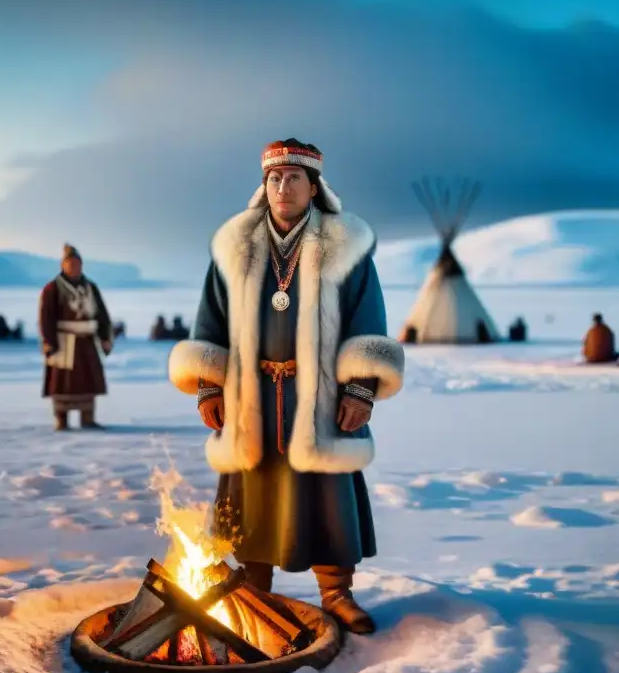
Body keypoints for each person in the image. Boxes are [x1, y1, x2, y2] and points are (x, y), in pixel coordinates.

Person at [168, 138, 405, 635]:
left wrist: (360, 389)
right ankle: (254, 588)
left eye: (294, 177)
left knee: (326, 491)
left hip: (320, 397)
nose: (283, 186)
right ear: (264, 185)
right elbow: (210, 319)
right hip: (251, 394)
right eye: (274, 178)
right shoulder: (236, 247)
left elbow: (369, 321)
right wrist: (209, 387)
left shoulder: (346, 246)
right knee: (254, 490)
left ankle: (336, 593)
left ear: (314, 186)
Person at [38, 244, 114, 431]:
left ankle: (87, 418)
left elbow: (101, 314)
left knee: (88, 381)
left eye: (77, 263)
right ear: (63, 265)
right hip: (63, 342)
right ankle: (61, 419)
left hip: (87, 341)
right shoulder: (52, 288)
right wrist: (49, 341)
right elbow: (45, 317)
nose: (74, 267)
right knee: (62, 383)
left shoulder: (90, 287)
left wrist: (105, 337)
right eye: (70, 263)